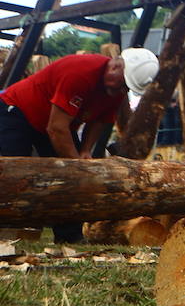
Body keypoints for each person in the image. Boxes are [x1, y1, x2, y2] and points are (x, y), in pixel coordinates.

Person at [0, 47, 159, 241]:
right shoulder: (79, 73)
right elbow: (56, 128)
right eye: (122, 85)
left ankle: (69, 236)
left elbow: (99, 120)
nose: (120, 91)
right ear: (116, 65)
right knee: (13, 171)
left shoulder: (117, 89)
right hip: (17, 111)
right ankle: (7, 230)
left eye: (125, 88)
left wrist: (84, 151)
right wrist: (77, 165)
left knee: (67, 178)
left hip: (52, 123)